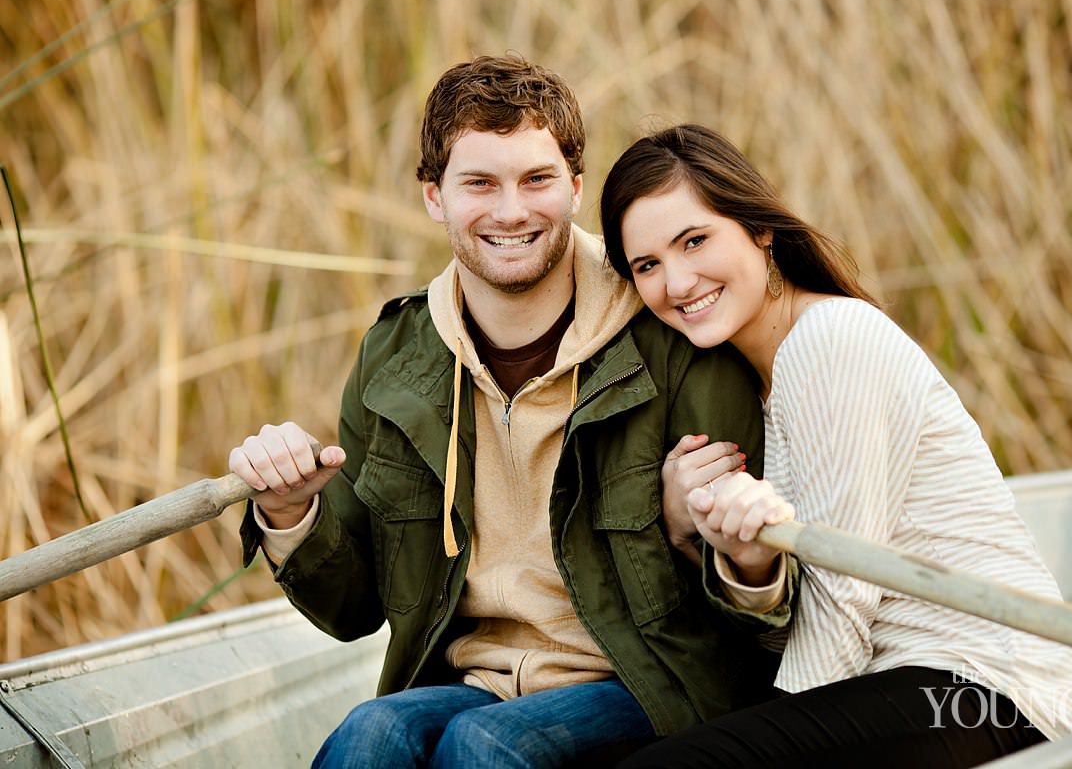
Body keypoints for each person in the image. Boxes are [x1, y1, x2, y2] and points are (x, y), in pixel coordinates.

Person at [228, 60, 791, 769]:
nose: (512, 211)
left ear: (576, 188)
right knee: (370, 732)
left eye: (536, 180)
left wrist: (710, 538)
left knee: (485, 747)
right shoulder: (397, 354)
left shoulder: (671, 336)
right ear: (434, 197)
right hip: (474, 682)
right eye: (479, 184)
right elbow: (353, 609)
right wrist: (288, 516)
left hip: (645, 683)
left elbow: (755, 597)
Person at [598, 123, 1072, 767]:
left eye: (695, 241)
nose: (679, 282)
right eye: (648, 265)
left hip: (985, 683)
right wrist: (708, 545)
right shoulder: (751, 385)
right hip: (894, 683)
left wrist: (768, 740)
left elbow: (843, 600)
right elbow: (800, 619)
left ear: (759, 228)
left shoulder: (831, 340)